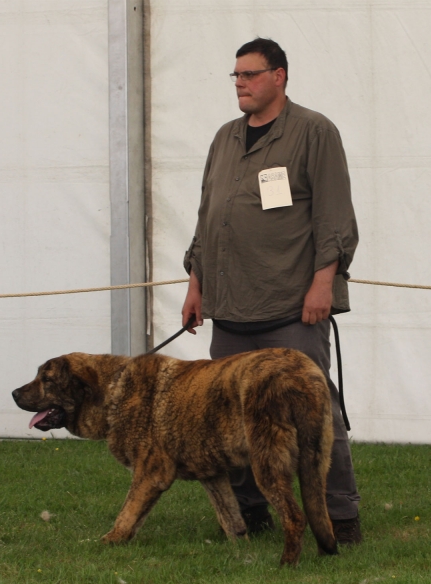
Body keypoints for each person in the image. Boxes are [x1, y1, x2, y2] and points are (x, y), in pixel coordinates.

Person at [181, 38, 361, 545]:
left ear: (279, 76)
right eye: (235, 75)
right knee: (231, 416)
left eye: (250, 74)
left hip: (291, 305)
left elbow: (333, 215)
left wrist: (323, 282)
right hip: (229, 306)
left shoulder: (314, 132)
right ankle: (251, 510)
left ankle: (339, 516)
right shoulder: (223, 138)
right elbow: (207, 218)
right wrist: (196, 284)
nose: (239, 82)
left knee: (312, 414)